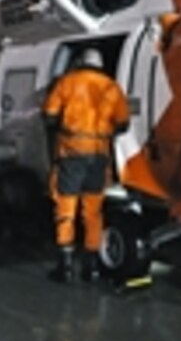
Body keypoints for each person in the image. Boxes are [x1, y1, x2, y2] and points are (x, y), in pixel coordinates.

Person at [42, 48, 130, 283]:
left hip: (71, 154)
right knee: (93, 211)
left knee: (66, 209)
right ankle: (91, 266)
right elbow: (123, 124)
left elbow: (49, 116)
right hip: (99, 156)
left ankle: (66, 265)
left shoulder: (67, 82)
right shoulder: (111, 87)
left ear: (81, 62)